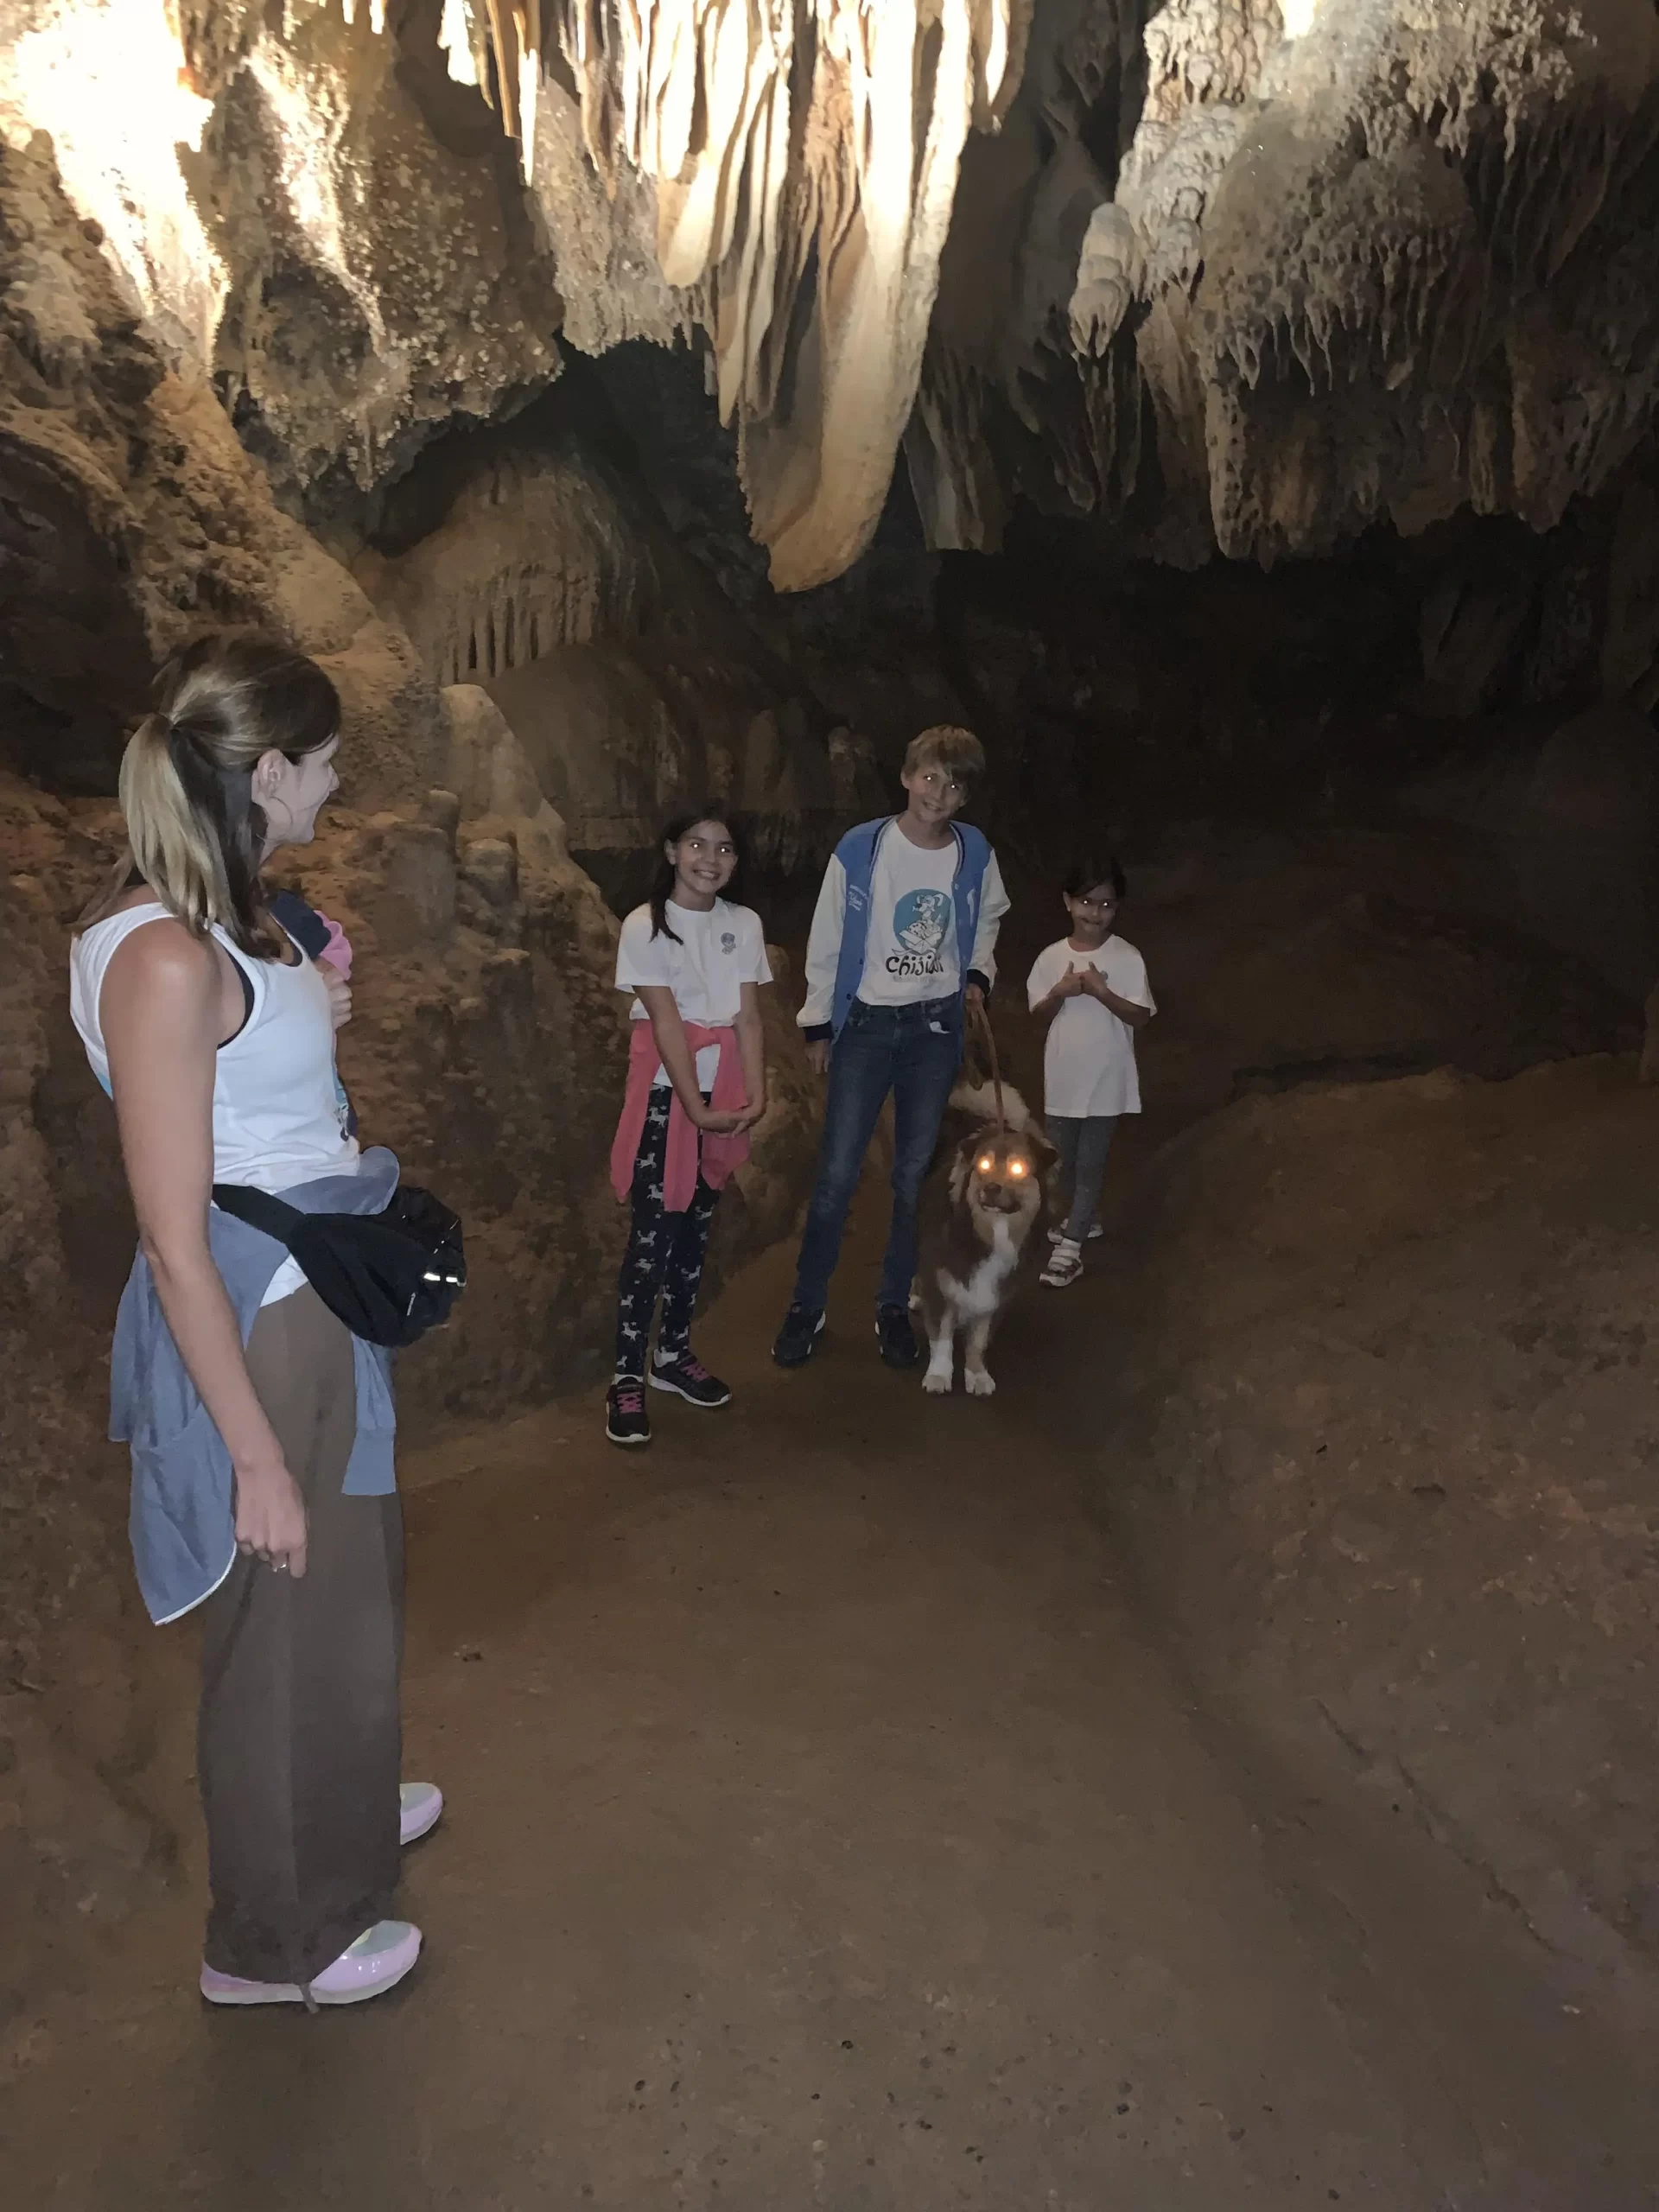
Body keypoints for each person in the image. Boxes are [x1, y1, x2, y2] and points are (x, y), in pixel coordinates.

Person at [68, 633, 437, 2010]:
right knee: (280, 1628)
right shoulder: (160, 954)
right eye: (327, 761)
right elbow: (173, 1235)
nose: (339, 783)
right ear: (268, 770)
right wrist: (253, 1458)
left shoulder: (221, 916)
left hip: (309, 1294)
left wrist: (309, 1006)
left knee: (343, 1595)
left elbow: (259, 1101)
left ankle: (337, 1797)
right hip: (253, 1317)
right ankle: (275, 1941)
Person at [772, 725, 1010, 1370]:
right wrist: (819, 1024)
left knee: (912, 1175)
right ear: (907, 777)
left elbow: (987, 915)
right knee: (838, 1174)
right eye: (930, 777)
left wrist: (977, 974)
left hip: (933, 1029)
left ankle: (891, 1304)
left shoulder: (972, 852)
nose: (939, 793)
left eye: (954, 784)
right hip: (869, 1025)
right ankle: (807, 1305)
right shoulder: (863, 848)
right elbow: (828, 935)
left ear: (965, 797)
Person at [607, 807, 770, 1446]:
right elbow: (666, 1022)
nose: (711, 858)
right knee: (652, 1235)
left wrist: (756, 1091)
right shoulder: (645, 927)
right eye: (697, 844)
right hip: (666, 1095)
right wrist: (694, 1108)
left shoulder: (744, 925)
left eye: (725, 848)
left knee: (697, 1229)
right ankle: (626, 1375)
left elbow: (749, 1018)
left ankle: (672, 1355)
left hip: (723, 1090)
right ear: (672, 850)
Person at [1026, 855, 1154, 1287]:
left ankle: (1072, 1247)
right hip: (1063, 1078)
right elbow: (1039, 1013)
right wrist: (1061, 993)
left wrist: (1103, 991)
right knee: (1060, 1161)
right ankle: (1080, 1219)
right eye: (1086, 902)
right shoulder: (1050, 958)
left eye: (1106, 905)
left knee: (1091, 1162)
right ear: (1068, 902)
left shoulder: (1127, 957)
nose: (1095, 913)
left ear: (1117, 908)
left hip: (1107, 1079)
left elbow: (1140, 1016)